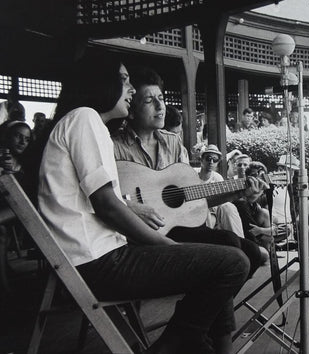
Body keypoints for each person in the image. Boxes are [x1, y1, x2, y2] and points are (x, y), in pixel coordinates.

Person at [39, 58, 259, 353]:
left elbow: (109, 202)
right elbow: (107, 205)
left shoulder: (86, 122)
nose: (129, 88)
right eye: (124, 79)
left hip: (100, 257)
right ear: (102, 82)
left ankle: (188, 336)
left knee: (230, 254)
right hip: (100, 263)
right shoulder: (85, 119)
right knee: (232, 262)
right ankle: (177, 341)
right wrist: (168, 245)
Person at [112, 67, 263, 279]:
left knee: (252, 252)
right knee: (231, 249)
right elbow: (100, 199)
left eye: (161, 98)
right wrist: (131, 207)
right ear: (132, 108)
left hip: (174, 228)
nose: (160, 106)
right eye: (149, 101)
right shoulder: (114, 145)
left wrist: (239, 192)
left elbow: (191, 198)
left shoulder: (172, 142)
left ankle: (202, 308)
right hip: (137, 237)